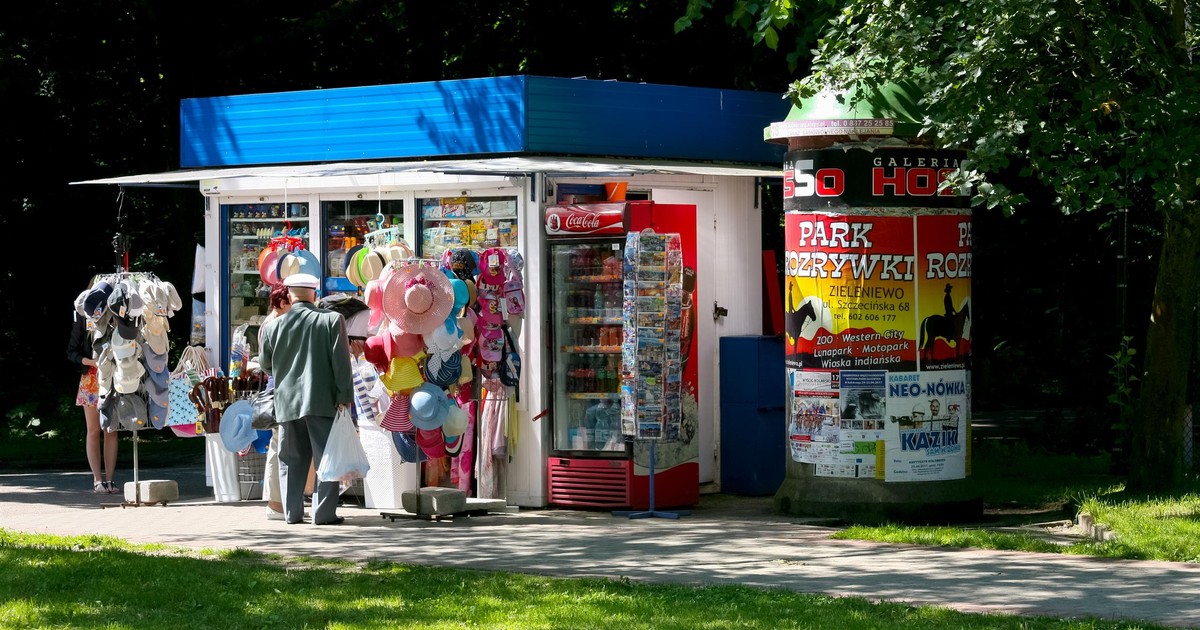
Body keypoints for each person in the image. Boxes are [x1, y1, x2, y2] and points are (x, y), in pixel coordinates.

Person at [258, 273, 353, 526]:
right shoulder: (333, 320)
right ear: (314, 295)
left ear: (289, 295)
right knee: (327, 458)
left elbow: (266, 366)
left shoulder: (272, 327)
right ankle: (323, 514)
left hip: (286, 402)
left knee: (290, 459)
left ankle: (292, 513)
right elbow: (341, 364)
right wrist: (345, 396)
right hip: (323, 401)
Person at [67, 304, 119, 494]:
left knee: (110, 428)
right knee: (94, 429)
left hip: (112, 376)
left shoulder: (116, 312)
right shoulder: (82, 317)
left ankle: (110, 479)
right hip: (90, 378)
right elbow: (72, 352)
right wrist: (92, 362)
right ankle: (98, 480)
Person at [259, 284, 291, 521]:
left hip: (279, 388)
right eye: (290, 301)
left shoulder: (272, 323)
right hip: (279, 390)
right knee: (278, 445)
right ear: (281, 304)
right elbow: (267, 363)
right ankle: (275, 503)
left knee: (279, 445)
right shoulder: (273, 325)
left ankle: (278, 501)